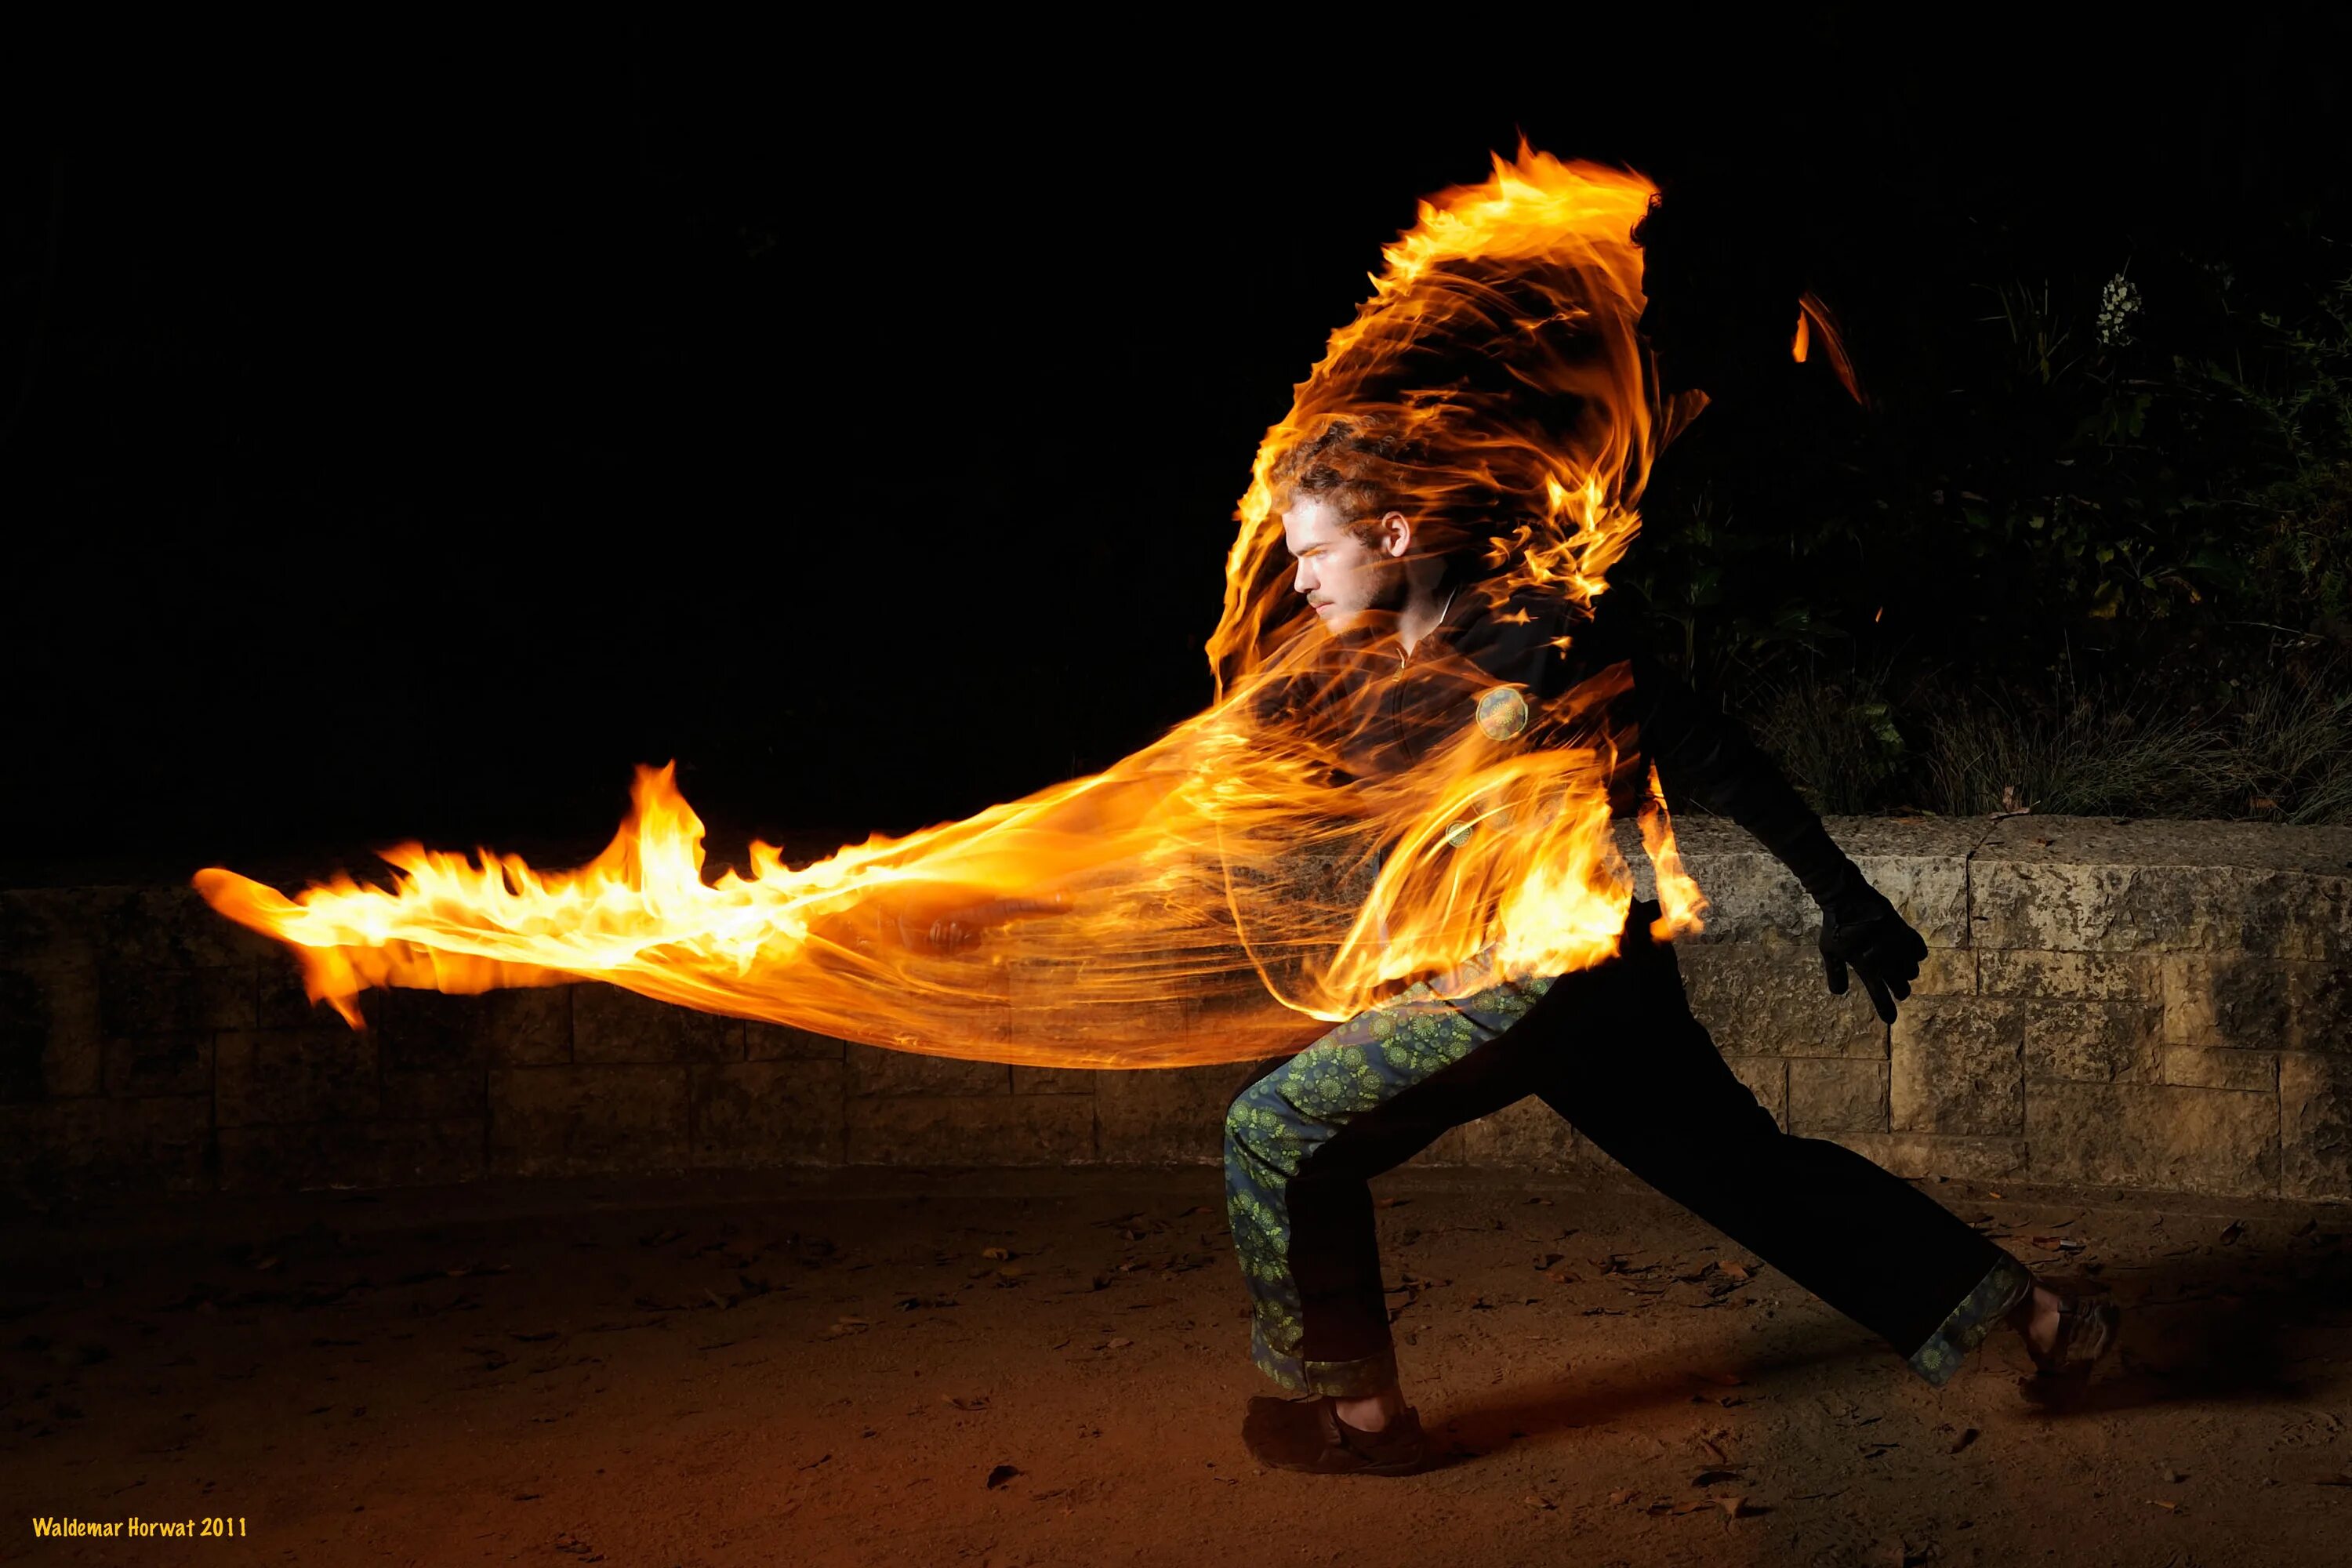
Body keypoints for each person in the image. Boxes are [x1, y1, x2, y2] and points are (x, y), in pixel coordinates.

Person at [1202, 183, 2119, 1477]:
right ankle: (2041, 1318)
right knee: (1749, 1173)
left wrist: (1840, 892)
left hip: (1534, 979)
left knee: (1273, 1129)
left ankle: (1362, 1419)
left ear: (1397, 533)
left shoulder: (1533, 638)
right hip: (1594, 981)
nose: (1295, 575)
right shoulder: (1382, 673)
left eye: (1313, 553)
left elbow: (1710, 753)